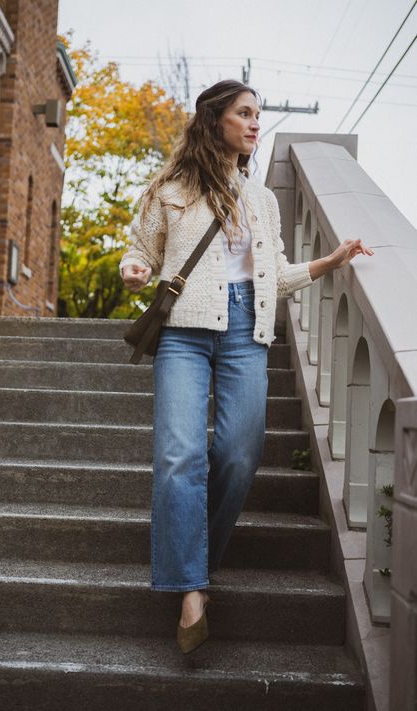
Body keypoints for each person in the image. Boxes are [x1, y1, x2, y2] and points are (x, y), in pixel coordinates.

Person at [120, 79, 374, 654]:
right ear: (216, 120)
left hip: (245, 330)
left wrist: (328, 262)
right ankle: (190, 590)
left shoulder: (262, 199)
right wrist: (132, 269)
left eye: (258, 115)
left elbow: (274, 276)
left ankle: (192, 556)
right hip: (185, 329)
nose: (256, 124)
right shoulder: (170, 186)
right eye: (245, 113)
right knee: (179, 454)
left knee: (239, 450)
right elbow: (142, 248)